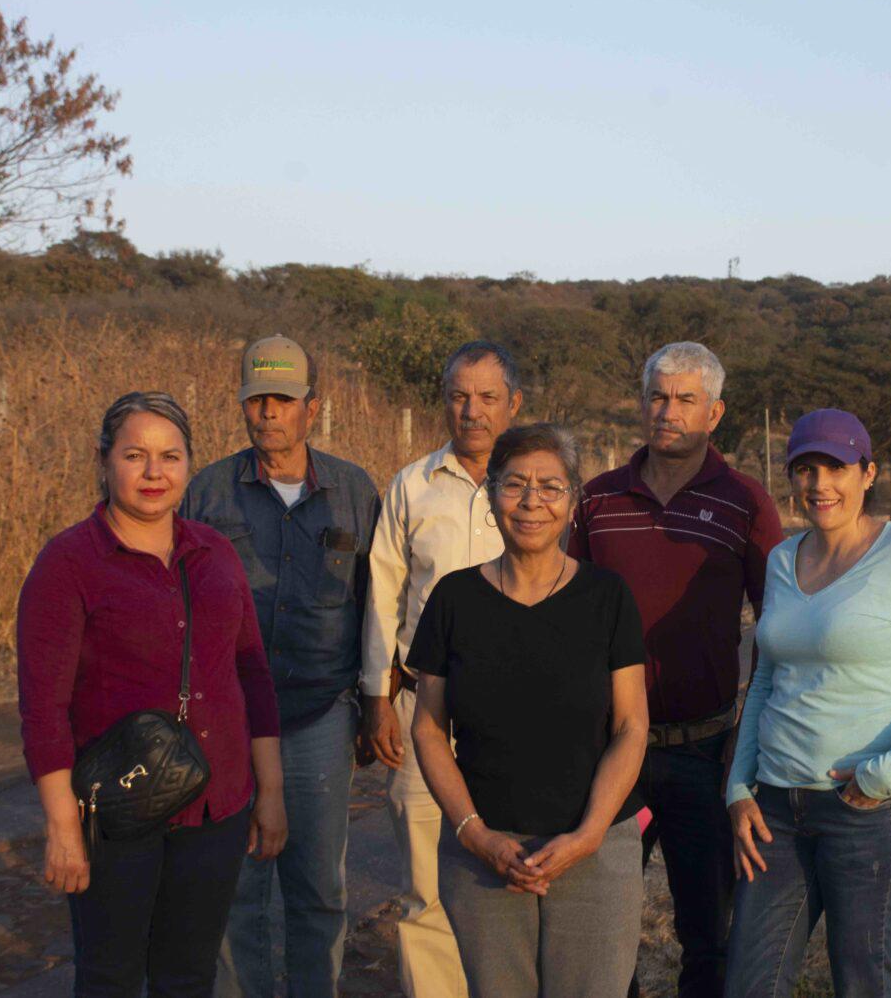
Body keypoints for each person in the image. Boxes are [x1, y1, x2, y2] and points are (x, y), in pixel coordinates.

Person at [17, 391, 286, 998]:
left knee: (189, 975)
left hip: (216, 805)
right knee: (110, 976)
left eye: (170, 456)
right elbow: (42, 708)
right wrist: (63, 825)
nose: (154, 472)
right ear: (104, 461)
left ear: (190, 464)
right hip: (115, 813)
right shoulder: (68, 564)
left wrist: (269, 792)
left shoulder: (215, 554)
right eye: (135, 455)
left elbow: (253, 675)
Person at [723, 408, 891, 998]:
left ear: (867, 473)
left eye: (836, 468)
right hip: (776, 813)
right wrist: (739, 787)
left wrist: (885, 774)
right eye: (805, 469)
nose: (819, 485)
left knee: (860, 982)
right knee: (748, 982)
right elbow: (765, 680)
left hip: (867, 813)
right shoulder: (781, 561)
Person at [568, 340, 782, 998]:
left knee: (706, 933)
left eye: (685, 400)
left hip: (704, 751)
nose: (668, 411)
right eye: (657, 397)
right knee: (601, 928)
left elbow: (778, 631)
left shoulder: (745, 503)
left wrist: (746, 747)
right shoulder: (598, 500)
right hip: (609, 752)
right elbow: (568, 618)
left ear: (714, 413)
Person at [409, 423, 650, 998]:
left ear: (573, 501)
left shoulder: (607, 597)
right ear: (491, 495)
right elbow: (427, 726)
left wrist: (590, 834)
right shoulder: (454, 599)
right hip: (486, 855)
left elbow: (631, 725)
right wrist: (473, 834)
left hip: (594, 852)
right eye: (515, 485)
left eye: (550, 487)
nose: (532, 502)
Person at [182, 336, 380, 998]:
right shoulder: (205, 491)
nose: (268, 413)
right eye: (256, 399)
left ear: (313, 407)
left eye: (283, 400)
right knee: (237, 890)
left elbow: (375, 602)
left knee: (318, 888)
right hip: (229, 719)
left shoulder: (354, 491)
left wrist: (374, 703)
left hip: (320, 714)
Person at [361, 340, 524, 998]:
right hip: (424, 704)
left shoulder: (539, 486)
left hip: (520, 715)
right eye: (459, 396)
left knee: (511, 871)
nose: (472, 410)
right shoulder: (413, 484)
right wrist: (376, 695)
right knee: (426, 888)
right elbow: (382, 589)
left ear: (513, 404)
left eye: (488, 397)